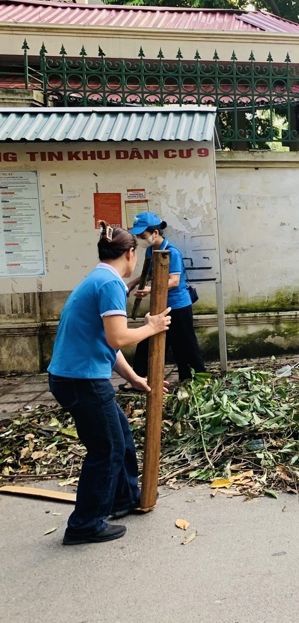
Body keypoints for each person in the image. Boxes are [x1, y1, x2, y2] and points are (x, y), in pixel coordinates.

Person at [47, 223, 171, 545]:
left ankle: (123, 498)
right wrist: (152, 326)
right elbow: (118, 337)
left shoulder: (98, 278)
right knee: (107, 449)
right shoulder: (111, 283)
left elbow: (106, 345)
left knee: (120, 434)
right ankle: (85, 524)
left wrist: (135, 378)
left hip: (76, 377)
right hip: (81, 380)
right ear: (130, 254)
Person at [128, 212, 206, 384]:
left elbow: (174, 281)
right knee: (147, 342)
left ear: (155, 233)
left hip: (178, 305)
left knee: (186, 346)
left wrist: (149, 290)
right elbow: (149, 274)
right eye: (138, 236)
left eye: (143, 235)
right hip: (160, 304)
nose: (140, 239)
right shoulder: (150, 251)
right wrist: (133, 283)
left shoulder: (172, 252)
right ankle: (139, 378)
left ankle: (199, 380)